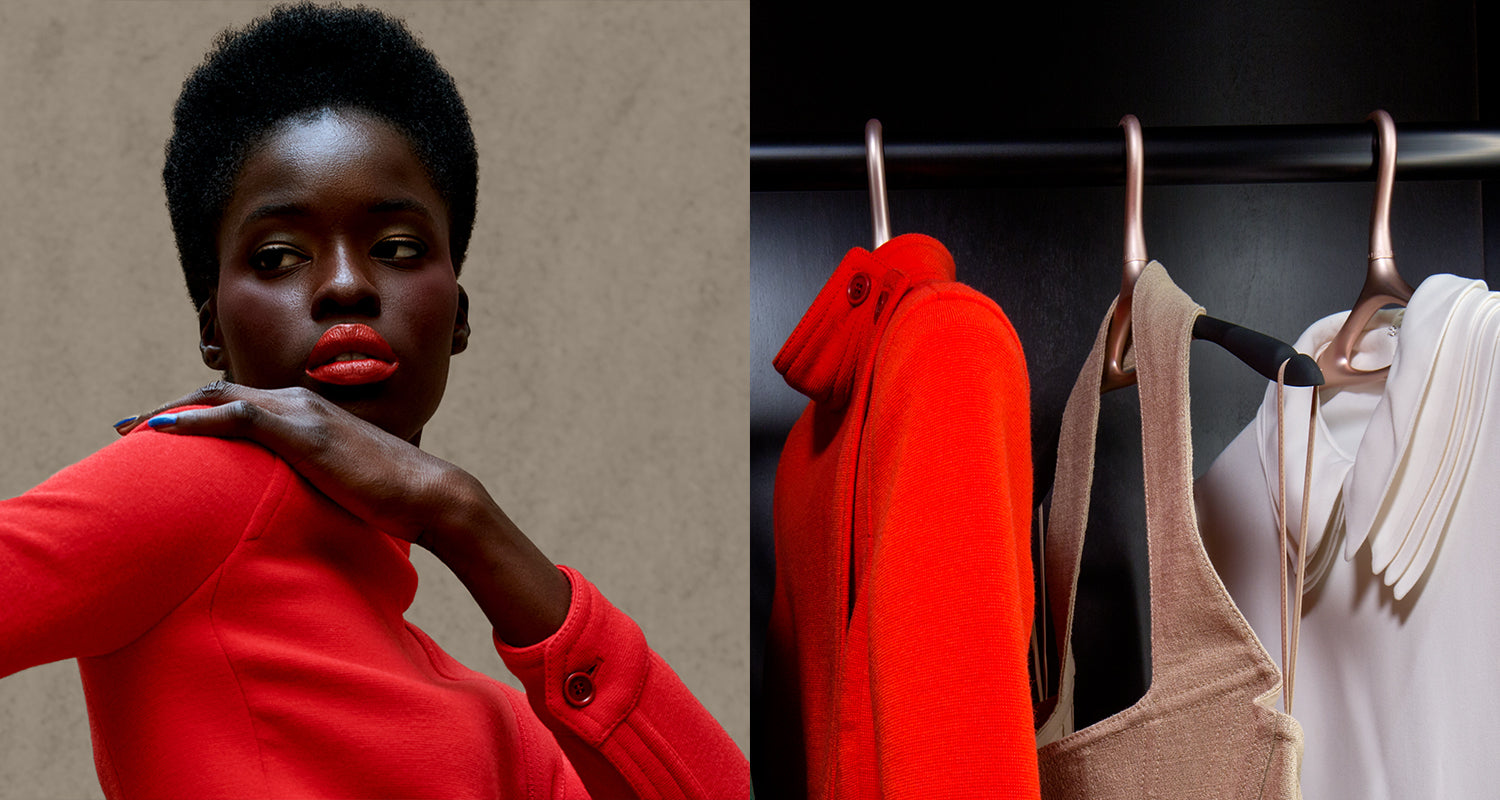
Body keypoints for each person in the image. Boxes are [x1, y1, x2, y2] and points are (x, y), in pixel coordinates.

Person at [0, 4, 748, 798]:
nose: (348, 284)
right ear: (213, 332)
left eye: (396, 249)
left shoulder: (500, 733)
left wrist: (460, 512)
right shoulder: (198, 485)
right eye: (280, 256)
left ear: (456, 317)